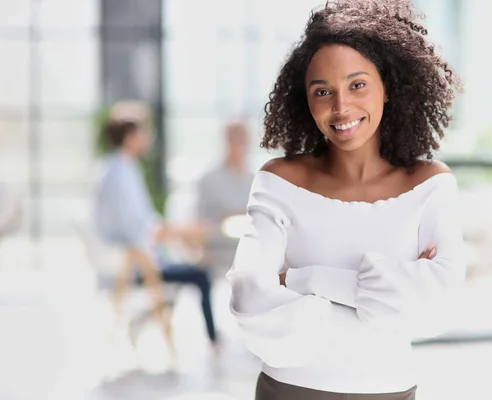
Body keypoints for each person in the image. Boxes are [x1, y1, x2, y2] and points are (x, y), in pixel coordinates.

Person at [226, 0, 465, 398]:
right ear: (306, 100)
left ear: (387, 88)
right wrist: (386, 296)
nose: (341, 107)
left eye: (357, 85)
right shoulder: (279, 180)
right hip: (289, 391)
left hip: (391, 392)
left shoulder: (431, 184)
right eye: (323, 91)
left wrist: (305, 280)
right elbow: (248, 296)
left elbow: (439, 307)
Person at [93, 119, 219, 348]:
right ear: (130, 137)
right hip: (133, 263)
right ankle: (214, 342)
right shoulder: (121, 174)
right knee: (201, 274)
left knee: (191, 266)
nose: (147, 138)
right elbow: (142, 229)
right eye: (143, 133)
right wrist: (186, 231)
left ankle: (141, 320)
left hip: (128, 258)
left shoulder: (112, 168)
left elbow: (143, 225)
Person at [196, 120, 254, 272]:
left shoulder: (257, 179)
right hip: (220, 256)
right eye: (234, 139)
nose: (239, 145)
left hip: (253, 252)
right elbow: (201, 225)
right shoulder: (209, 180)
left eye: (242, 139)